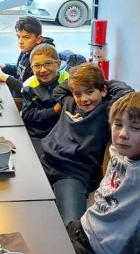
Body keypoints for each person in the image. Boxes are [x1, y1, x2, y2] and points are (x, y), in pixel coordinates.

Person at [39, 63, 133, 226]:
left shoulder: (108, 110)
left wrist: (101, 82)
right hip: (45, 160)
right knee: (23, 205)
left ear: (103, 91)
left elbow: (126, 92)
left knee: (71, 225)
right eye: (78, 93)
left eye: (90, 92)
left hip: (73, 173)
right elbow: (58, 90)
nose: (84, 99)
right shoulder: (69, 101)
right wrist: (78, 83)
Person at [67, 92, 140, 254]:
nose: (123, 134)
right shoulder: (116, 150)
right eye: (118, 125)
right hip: (83, 226)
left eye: (136, 128)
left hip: (99, 253)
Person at [0, 15, 54, 98]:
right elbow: (22, 71)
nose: (20, 42)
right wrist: (5, 67)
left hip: (24, 101)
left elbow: (30, 89)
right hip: (15, 94)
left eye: (26, 37)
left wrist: (5, 77)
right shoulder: (27, 50)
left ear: (38, 39)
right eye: (18, 36)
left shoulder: (41, 58)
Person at [21, 43, 69, 156]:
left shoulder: (68, 81)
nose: (42, 70)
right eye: (37, 66)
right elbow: (27, 115)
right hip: (37, 134)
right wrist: (54, 110)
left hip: (62, 133)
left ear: (58, 64)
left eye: (48, 63)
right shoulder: (29, 86)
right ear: (32, 68)